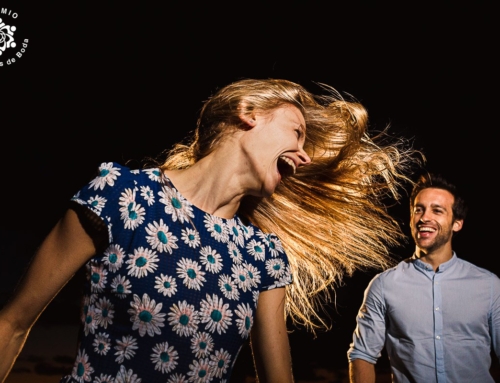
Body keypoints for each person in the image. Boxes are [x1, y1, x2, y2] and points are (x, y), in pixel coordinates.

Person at [0, 78, 416, 383]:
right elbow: (13, 323)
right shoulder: (122, 196)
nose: (304, 156)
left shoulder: (262, 254)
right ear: (249, 111)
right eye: (297, 133)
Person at [347, 172, 500, 383]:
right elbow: (362, 355)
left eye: (437, 210)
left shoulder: (490, 286)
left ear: (457, 223)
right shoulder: (384, 285)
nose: (425, 217)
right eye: (419, 210)